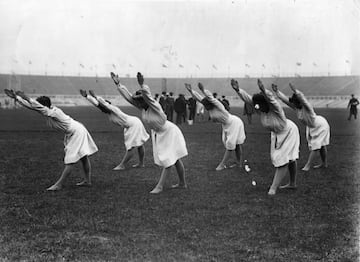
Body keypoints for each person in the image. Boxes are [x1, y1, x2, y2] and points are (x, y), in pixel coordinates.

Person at [4, 89, 98, 191]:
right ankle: (87, 181)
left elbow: (36, 106)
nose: (38, 106)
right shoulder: (48, 110)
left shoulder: (53, 112)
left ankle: (59, 184)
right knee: (83, 157)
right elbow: (33, 107)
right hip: (75, 131)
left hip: (77, 132)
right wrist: (17, 98)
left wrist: (26, 97)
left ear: (44, 106)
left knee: (70, 159)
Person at [110, 72, 188, 194]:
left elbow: (148, 96)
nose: (138, 103)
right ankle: (182, 183)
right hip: (159, 133)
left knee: (168, 159)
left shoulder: (154, 106)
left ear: (145, 100)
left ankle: (160, 186)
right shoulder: (144, 108)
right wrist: (119, 84)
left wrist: (142, 85)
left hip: (169, 132)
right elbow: (129, 98)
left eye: (141, 100)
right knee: (175, 159)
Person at [231, 79, 300, 196]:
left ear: (265, 103)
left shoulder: (275, 108)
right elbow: (248, 99)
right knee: (285, 158)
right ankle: (292, 184)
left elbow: (271, 99)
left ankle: (273, 188)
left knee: (283, 159)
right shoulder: (261, 110)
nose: (257, 108)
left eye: (259, 105)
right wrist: (238, 90)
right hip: (277, 133)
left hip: (289, 131)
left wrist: (263, 89)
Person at [80, 89, 149, 170]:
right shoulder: (110, 112)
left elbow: (103, 104)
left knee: (131, 147)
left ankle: (122, 165)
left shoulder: (113, 109)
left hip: (133, 124)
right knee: (139, 144)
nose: (102, 109)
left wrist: (95, 96)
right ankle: (141, 164)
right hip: (131, 124)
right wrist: (87, 97)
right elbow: (98, 105)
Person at [185, 83, 246, 171]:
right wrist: (191, 91)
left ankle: (223, 164)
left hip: (234, 123)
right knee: (230, 143)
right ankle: (238, 163)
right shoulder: (209, 108)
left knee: (231, 144)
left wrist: (203, 90)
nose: (205, 106)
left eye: (206, 104)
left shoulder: (219, 106)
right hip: (226, 125)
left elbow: (211, 98)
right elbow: (199, 98)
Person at [272, 83, 330, 171]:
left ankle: (308, 165)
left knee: (316, 145)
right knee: (320, 145)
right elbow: (285, 100)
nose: (293, 104)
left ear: (298, 101)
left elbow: (303, 100)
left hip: (320, 125)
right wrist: (277, 92)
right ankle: (324, 163)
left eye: (295, 102)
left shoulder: (307, 107)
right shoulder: (297, 108)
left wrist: (296, 91)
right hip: (311, 126)